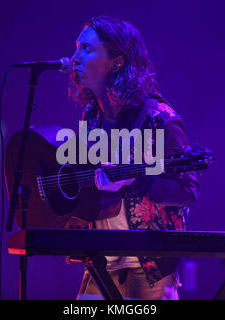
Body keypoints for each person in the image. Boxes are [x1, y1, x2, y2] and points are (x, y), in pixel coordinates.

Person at [68, 16, 200, 300]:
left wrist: (139, 180)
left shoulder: (160, 118)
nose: (74, 57)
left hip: (150, 266)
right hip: (100, 261)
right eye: (76, 48)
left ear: (117, 60)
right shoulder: (91, 118)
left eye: (87, 49)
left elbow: (188, 191)